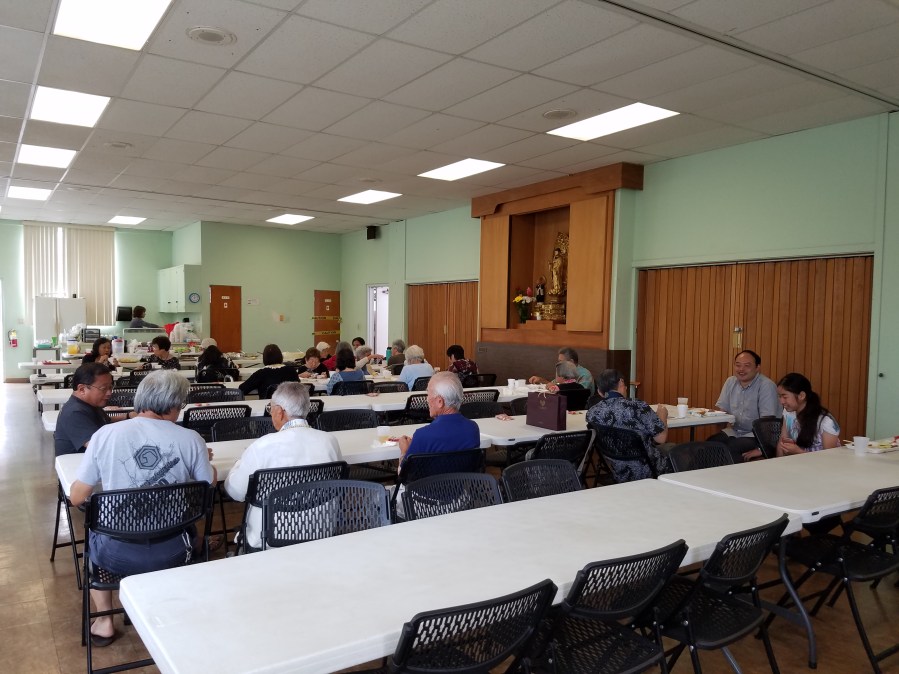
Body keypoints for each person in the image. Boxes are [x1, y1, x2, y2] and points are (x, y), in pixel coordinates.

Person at [69, 370, 215, 646]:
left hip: (116, 553)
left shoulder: (105, 435)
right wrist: (205, 461)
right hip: (173, 550)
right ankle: (171, 608)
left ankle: (105, 621)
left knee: (94, 532)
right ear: (173, 404)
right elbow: (208, 486)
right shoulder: (191, 439)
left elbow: (77, 497)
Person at [225, 382, 341, 550]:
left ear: (279, 411)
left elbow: (236, 492)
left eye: (270, 408)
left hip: (269, 537)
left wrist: (237, 465)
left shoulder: (262, 446)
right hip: (320, 530)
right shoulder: (329, 441)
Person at [586, 368, 672, 481]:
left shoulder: (592, 412)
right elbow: (661, 438)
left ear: (599, 392)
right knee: (674, 449)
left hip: (616, 469)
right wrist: (662, 415)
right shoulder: (638, 406)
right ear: (621, 382)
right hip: (647, 469)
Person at [708, 350, 781, 462]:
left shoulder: (766, 386)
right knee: (710, 443)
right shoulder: (730, 382)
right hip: (735, 431)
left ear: (757, 367)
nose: (741, 369)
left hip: (757, 436)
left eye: (747, 366)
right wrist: (720, 433)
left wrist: (761, 448)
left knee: (731, 448)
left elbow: (768, 422)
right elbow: (723, 413)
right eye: (738, 365)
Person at [397, 372, 480, 463]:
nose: (427, 399)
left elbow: (403, 471)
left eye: (428, 395)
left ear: (440, 402)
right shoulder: (473, 429)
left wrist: (404, 451)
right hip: (463, 473)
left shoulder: (422, 435)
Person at [54, 363, 114, 455]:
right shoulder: (74, 413)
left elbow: (106, 421)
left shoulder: (90, 404)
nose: (109, 393)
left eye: (110, 387)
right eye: (104, 388)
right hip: (78, 462)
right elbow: (99, 446)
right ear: (82, 389)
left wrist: (128, 416)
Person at [776, 372, 840, 455]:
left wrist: (799, 452)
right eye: (779, 396)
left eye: (785, 397)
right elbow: (781, 443)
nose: (781, 401)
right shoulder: (788, 413)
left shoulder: (826, 421)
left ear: (801, 396)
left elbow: (830, 457)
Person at [528, 347, 595, 394]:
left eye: (561, 361)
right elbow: (553, 384)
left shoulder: (585, 374)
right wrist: (541, 380)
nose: (558, 363)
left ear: (571, 362)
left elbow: (580, 393)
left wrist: (556, 386)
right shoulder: (564, 371)